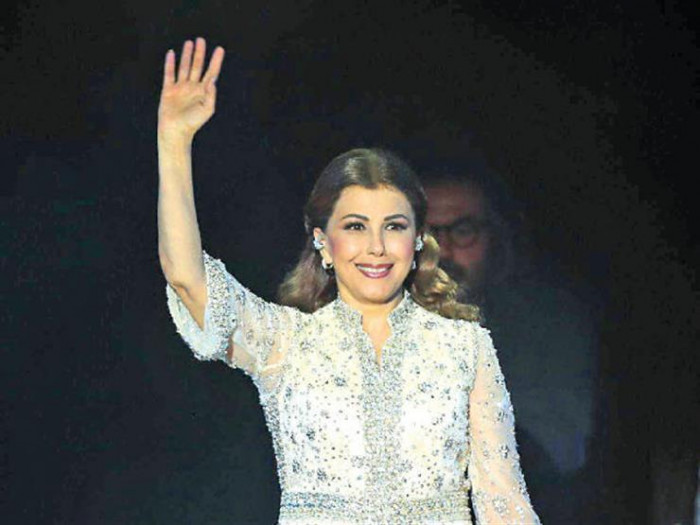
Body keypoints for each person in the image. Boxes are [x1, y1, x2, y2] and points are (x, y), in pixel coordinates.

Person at [158, 37, 542, 524]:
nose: (376, 247)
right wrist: (173, 143)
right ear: (323, 240)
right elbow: (187, 280)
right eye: (356, 227)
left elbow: (505, 504)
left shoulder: (464, 348)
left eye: (394, 227)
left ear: (418, 240)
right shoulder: (286, 343)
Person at [422, 164, 600, 523]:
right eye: (426, 234)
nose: (443, 251)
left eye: (463, 231)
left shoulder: (544, 322)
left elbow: (560, 451)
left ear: (496, 237)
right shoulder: (370, 319)